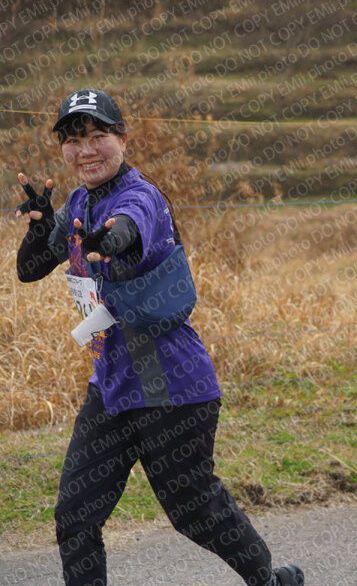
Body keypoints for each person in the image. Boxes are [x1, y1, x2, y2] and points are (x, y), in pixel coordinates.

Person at [13, 89, 304, 586]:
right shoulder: (78, 202)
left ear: (123, 139)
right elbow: (29, 269)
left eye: (98, 136)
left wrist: (110, 239)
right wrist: (41, 230)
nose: (86, 150)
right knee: (75, 516)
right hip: (112, 388)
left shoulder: (140, 196)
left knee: (194, 510)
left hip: (173, 387)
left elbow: (130, 228)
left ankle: (271, 582)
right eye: (74, 140)